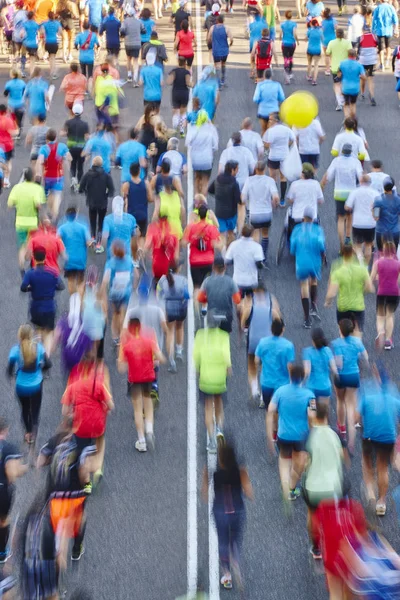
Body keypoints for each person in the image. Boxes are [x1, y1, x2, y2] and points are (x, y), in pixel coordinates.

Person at [202, 441, 253, 590]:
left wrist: (205, 478)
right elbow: (249, 492)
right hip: (237, 509)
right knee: (235, 539)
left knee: (223, 541)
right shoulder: (240, 470)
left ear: (220, 458)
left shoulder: (214, 472)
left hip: (220, 511)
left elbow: (204, 494)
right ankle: (235, 560)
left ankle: (227, 575)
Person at [61, 351, 114, 483]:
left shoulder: (74, 374)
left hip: (79, 421)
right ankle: (97, 468)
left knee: (82, 448)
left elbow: (65, 409)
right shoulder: (100, 373)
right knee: (100, 440)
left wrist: (70, 415)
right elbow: (110, 401)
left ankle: (86, 481)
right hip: (97, 419)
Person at [267, 363, 316, 501]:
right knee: (299, 464)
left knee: (284, 462)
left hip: (284, 434)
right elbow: (312, 417)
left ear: (290, 375)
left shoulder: (280, 392)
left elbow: (271, 410)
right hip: (301, 436)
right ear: (303, 377)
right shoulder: (309, 395)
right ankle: (292, 488)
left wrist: (270, 433)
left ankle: (285, 489)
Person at [303, 400, 345, 559]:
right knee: (332, 514)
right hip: (334, 486)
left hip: (313, 488)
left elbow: (302, 462)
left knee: (311, 513)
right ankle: (334, 544)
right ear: (328, 415)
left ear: (313, 416)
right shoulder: (336, 434)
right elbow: (342, 457)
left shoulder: (309, 435)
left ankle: (316, 548)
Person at [118, 316, 165, 452]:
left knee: (137, 410)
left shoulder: (126, 343)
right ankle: (149, 430)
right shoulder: (148, 338)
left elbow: (121, 367)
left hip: (134, 379)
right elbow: (159, 357)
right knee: (148, 404)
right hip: (148, 376)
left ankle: (142, 440)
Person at [359, 365, 400, 516]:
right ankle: (381, 502)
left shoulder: (367, 398)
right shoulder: (395, 400)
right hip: (388, 437)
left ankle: (370, 492)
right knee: (383, 468)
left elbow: (357, 418)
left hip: (369, 436)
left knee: (367, 464)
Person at [7, 324, 51, 444]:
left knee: (25, 409)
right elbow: (48, 364)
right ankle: (34, 430)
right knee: (35, 410)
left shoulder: (15, 350)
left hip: (21, 386)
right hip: (36, 385)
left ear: (19, 336)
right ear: (32, 335)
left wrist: (13, 376)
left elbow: (9, 370)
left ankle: (28, 432)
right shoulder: (39, 348)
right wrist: (41, 368)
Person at [193, 312, 231, 451]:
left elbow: (196, 356)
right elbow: (226, 355)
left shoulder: (200, 335)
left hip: (206, 377)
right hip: (220, 377)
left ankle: (211, 441)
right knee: (219, 403)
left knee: (208, 408)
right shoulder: (224, 336)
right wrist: (228, 368)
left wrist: (198, 369)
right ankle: (219, 429)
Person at [331, 318, 368, 451]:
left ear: (340, 330)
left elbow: (339, 362)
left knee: (340, 401)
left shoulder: (336, 343)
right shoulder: (357, 342)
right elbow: (365, 356)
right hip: (354, 376)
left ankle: (342, 429)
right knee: (351, 405)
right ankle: (352, 441)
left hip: (341, 377)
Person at [20, 246, 64, 354]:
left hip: (36, 307)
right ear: (45, 258)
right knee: (48, 333)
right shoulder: (53, 272)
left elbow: (23, 287)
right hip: (49, 306)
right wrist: (52, 287)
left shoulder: (30, 273)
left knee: (38, 331)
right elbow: (61, 286)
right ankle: (46, 357)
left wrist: (31, 288)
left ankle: (38, 356)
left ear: (34, 258)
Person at [241, 282, 280, 402]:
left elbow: (245, 314)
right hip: (267, 339)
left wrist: (243, 327)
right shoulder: (271, 300)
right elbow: (277, 316)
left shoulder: (250, 300)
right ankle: (264, 394)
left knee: (251, 363)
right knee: (265, 366)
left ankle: (254, 389)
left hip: (253, 338)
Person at [321, 143, 363, 249]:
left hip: (339, 193)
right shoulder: (355, 162)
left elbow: (328, 176)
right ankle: (348, 238)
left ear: (342, 151)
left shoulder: (336, 161)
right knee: (350, 216)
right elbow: (361, 178)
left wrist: (322, 186)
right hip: (352, 193)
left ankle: (341, 245)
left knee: (341, 218)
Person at [325, 243, 373, 335]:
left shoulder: (337, 269)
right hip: (358, 305)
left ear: (342, 253)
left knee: (343, 333)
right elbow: (370, 288)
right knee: (358, 333)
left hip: (343, 306)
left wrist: (328, 301)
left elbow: (331, 292)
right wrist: (362, 292)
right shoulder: (361, 269)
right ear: (353, 253)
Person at [290, 205, 326, 328]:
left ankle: (306, 318)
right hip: (315, 261)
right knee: (314, 280)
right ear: (313, 218)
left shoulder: (297, 229)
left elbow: (292, 247)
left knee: (304, 284)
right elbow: (321, 245)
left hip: (301, 261)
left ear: (303, 217)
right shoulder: (318, 230)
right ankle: (314, 305)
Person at [7, 166, 46, 276]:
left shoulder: (17, 188)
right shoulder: (37, 189)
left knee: (22, 246)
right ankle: (32, 266)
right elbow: (38, 204)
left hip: (20, 222)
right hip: (33, 222)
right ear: (33, 177)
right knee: (33, 245)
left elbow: (10, 204)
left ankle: (22, 268)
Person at [0, 416, 27, 563]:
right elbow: (12, 474)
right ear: (5, 430)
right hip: (2, 490)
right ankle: (2, 552)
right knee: (3, 521)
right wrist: (23, 468)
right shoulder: (9, 448)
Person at [183, 204, 221, 306]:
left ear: (198, 215)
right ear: (207, 214)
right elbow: (218, 244)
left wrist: (193, 239)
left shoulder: (191, 227)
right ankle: (204, 308)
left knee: (197, 286)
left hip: (195, 262)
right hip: (208, 261)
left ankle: (196, 308)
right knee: (207, 285)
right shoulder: (212, 228)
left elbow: (183, 243)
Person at [241, 160, 279, 262]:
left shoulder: (249, 180)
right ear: (265, 169)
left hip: (254, 213)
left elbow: (243, 198)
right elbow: (276, 197)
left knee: (255, 234)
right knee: (265, 234)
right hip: (266, 213)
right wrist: (275, 203)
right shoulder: (270, 181)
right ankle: (263, 255)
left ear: (255, 169)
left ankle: (256, 256)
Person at [157, 262, 189, 372]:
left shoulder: (162, 280)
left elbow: (159, 295)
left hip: (168, 308)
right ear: (178, 269)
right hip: (181, 308)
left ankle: (171, 359)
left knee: (170, 332)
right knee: (180, 327)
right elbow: (187, 295)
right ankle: (179, 351)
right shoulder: (184, 280)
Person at [197, 255, 241, 334]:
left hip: (212, 314)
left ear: (213, 267)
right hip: (227, 314)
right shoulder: (230, 281)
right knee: (225, 336)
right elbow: (237, 300)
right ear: (225, 267)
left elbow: (200, 298)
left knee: (212, 336)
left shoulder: (207, 281)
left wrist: (208, 298)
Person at [79, 155, 114, 251]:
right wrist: (106, 194)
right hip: (102, 202)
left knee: (92, 220)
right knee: (101, 222)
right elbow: (111, 190)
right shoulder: (106, 175)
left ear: (93, 163)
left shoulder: (87, 175)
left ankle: (93, 237)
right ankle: (99, 242)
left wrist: (86, 192)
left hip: (91, 202)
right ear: (102, 164)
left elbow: (80, 188)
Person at [102, 240, 135, 345]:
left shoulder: (110, 263)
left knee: (115, 313)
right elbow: (136, 274)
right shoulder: (129, 260)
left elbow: (106, 280)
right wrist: (133, 285)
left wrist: (101, 292)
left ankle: (115, 337)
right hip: (126, 291)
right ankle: (123, 335)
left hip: (114, 292)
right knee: (123, 313)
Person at [36, 128, 72, 222]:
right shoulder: (62, 146)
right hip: (58, 176)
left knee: (49, 194)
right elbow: (69, 157)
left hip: (47, 176)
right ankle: (54, 215)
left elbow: (40, 161)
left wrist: (38, 173)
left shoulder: (44, 148)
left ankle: (49, 212)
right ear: (56, 137)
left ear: (47, 139)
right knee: (57, 195)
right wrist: (65, 162)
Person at [225, 224, 264, 307]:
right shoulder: (257, 247)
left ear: (242, 233)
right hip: (252, 281)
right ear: (252, 234)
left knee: (239, 302)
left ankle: (240, 315)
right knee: (250, 301)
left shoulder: (234, 245)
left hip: (238, 281)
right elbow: (259, 263)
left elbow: (227, 260)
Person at [371, 241, 400, 350]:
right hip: (394, 292)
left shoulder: (378, 262)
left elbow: (372, 278)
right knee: (390, 315)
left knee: (380, 316)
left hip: (382, 292)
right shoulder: (398, 264)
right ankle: (388, 340)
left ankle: (381, 332)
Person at [344, 174, 378, 264]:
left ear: (361, 181)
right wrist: (375, 217)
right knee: (368, 245)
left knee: (358, 246)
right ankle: (366, 266)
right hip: (371, 223)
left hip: (357, 223)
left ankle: (360, 261)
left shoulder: (355, 192)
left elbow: (347, 207)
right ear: (370, 183)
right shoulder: (375, 193)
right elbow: (378, 208)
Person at [58, 205, 92, 294]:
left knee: (71, 280)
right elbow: (89, 243)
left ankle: (73, 301)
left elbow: (57, 240)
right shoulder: (83, 227)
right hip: (81, 259)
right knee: (80, 281)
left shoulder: (62, 228)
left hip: (68, 259)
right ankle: (80, 304)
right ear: (76, 215)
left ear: (66, 216)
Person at [208, 160, 242, 249]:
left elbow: (210, 190)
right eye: (237, 169)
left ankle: (223, 254)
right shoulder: (234, 182)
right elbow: (239, 199)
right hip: (231, 213)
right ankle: (230, 251)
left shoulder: (218, 179)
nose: (238, 171)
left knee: (221, 235)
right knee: (231, 233)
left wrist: (219, 195)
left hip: (219, 213)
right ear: (232, 170)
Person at [263, 112, 295, 206]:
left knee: (272, 177)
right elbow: (293, 139)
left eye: (270, 119)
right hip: (284, 156)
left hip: (273, 156)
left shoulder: (271, 131)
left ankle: (274, 197)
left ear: (276, 120)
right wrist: (286, 145)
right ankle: (282, 199)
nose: (269, 121)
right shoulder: (287, 129)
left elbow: (267, 144)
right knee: (283, 177)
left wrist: (265, 145)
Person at [185, 111, 218, 195]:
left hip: (195, 159)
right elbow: (215, 146)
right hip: (207, 159)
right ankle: (203, 202)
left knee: (197, 178)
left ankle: (196, 198)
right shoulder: (211, 129)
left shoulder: (193, 128)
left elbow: (187, 142)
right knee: (205, 181)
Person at [122, 162, 153, 247]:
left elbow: (124, 201)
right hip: (143, 214)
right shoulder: (146, 183)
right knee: (142, 237)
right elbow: (151, 198)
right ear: (139, 171)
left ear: (130, 172)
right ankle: (141, 257)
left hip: (131, 215)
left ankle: (134, 257)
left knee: (133, 237)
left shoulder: (126, 185)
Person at [61, 102, 90, 191]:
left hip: (71, 146)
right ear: (81, 112)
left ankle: (73, 178)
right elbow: (87, 136)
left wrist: (68, 134)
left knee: (72, 164)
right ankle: (78, 183)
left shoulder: (68, 122)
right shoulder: (85, 124)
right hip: (81, 147)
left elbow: (62, 133)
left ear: (73, 112)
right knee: (80, 166)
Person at [303, 327, 337, 402]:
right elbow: (334, 369)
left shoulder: (307, 352)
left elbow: (307, 371)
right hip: (325, 388)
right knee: (324, 412)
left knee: (312, 411)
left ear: (313, 340)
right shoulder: (327, 350)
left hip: (311, 389)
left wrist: (301, 383)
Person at [102, 195, 137, 259]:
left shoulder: (107, 219)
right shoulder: (131, 218)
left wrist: (102, 245)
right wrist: (135, 256)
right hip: (126, 254)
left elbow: (105, 237)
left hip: (112, 254)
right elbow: (134, 237)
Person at [325, 29, 352, 111]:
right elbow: (351, 52)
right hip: (346, 67)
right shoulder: (347, 43)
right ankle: (345, 99)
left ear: (336, 34)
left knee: (337, 85)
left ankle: (339, 102)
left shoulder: (331, 42)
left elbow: (327, 53)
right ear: (343, 34)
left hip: (335, 67)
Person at [252, 68, 285, 135]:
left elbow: (255, 99)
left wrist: (260, 102)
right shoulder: (277, 85)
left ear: (264, 76)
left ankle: (263, 144)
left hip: (263, 112)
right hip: (274, 112)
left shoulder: (260, 85)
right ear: (271, 76)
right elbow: (282, 98)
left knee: (264, 131)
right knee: (273, 133)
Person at [337, 48, 366, 117]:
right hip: (355, 88)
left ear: (348, 55)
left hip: (345, 87)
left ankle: (347, 121)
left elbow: (338, 74)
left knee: (346, 105)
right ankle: (352, 120)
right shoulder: (359, 65)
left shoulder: (342, 63)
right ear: (355, 55)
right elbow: (364, 77)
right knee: (353, 104)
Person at [373, 177, 400, 250]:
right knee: (393, 254)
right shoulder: (398, 199)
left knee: (382, 254)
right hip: (395, 231)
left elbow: (376, 217)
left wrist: (372, 208)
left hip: (381, 231)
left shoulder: (377, 200)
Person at [121, 5, 145, 86]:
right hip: (137, 43)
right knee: (135, 61)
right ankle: (135, 79)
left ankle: (129, 75)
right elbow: (143, 30)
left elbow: (122, 31)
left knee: (128, 59)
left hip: (128, 43)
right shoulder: (139, 21)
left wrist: (124, 35)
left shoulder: (125, 21)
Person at [167, 57, 192, 135]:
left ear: (178, 62)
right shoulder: (186, 72)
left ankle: (174, 129)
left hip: (175, 93)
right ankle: (182, 130)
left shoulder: (174, 71)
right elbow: (188, 83)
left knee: (175, 111)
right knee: (183, 112)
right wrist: (193, 84)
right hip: (184, 93)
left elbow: (169, 82)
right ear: (185, 63)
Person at [208, 15, 233, 87]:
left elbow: (209, 38)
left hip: (216, 50)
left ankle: (218, 82)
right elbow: (231, 38)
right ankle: (223, 80)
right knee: (223, 64)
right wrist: (230, 44)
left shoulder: (212, 28)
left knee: (217, 66)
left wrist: (211, 45)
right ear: (223, 21)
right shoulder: (226, 28)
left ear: (217, 20)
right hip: (224, 50)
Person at [372, 0, 398, 70]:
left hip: (380, 30)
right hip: (389, 30)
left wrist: (373, 30)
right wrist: (396, 30)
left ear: (381, 1)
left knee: (381, 48)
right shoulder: (391, 7)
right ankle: (387, 62)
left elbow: (374, 20)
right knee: (388, 46)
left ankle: (382, 64)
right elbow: (395, 20)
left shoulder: (377, 8)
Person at [74, 20, 99, 86]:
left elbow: (76, 43)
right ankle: (90, 87)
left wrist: (77, 48)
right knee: (90, 74)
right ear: (89, 27)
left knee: (83, 73)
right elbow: (98, 44)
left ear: (82, 27)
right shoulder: (93, 35)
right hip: (90, 56)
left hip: (82, 56)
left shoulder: (79, 35)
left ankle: (84, 87)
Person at [358, 23, 378, 105]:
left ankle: (362, 93)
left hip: (363, 61)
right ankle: (372, 96)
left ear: (363, 31)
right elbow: (377, 45)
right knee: (370, 78)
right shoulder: (374, 37)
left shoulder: (360, 38)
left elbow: (358, 50)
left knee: (362, 78)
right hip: (372, 61)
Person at [4, 69, 26, 140]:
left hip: (11, 105)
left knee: (12, 119)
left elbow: (5, 94)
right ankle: (19, 133)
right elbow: (24, 92)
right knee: (19, 119)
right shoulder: (22, 82)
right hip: (20, 104)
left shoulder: (9, 84)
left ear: (12, 75)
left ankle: (13, 133)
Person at [41, 11, 62, 80]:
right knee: (53, 57)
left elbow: (42, 33)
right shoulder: (57, 23)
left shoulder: (45, 24)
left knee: (50, 57)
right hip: (54, 42)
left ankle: (52, 72)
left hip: (48, 42)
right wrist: (56, 34)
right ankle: (53, 73)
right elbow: (60, 32)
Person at [280, 10, 299, 83]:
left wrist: (280, 37)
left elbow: (281, 33)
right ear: (291, 16)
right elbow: (294, 33)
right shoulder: (294, 24)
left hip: (285, 43)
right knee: (291, 57)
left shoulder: (283, 24)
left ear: (285, 16)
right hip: (292, 43)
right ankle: (290, 71)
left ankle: (286, 73)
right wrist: (297, 40)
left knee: (285, 58)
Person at [22, 11, 39, 76]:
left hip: (27, 43)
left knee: (27, 56)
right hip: (34, 43)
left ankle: (25, 70)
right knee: (32, 60)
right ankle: (32, 73)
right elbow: (38, 33)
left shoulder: (25, 24)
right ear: (33, 16)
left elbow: (21, 34)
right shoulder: (35, 24)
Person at [306, 18, 323, 85]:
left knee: (309, 63)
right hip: (317, 49)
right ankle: (314, 80)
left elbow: (307, 37)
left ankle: (309, 76)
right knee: (316, 65)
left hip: (310, 49)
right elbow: (322, 39)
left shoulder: (309, 31)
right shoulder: (320, 31)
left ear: (311, 24)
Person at [321, 8, 336, 75]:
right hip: (332, 39)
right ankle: (333, 67)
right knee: (332, 55)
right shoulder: (333, 20)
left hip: (325, 39)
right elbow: (336, 28)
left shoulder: (323, 22)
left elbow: (322, 30)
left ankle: (327, 70)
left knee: (327, 55)